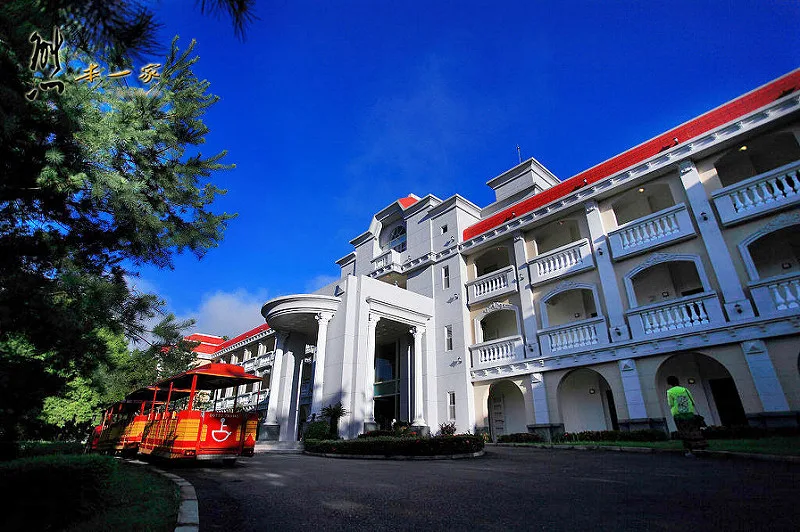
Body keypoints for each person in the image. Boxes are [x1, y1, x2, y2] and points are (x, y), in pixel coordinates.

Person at [666, 376, 707, 456]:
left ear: (669, 383)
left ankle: (689, 450)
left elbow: (670, 403)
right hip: (689, 413)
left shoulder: (670, 392)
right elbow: (692, 401)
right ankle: (700, 446)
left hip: (679, 415)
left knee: (684, 433)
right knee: (694, 430)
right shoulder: (685, 390)